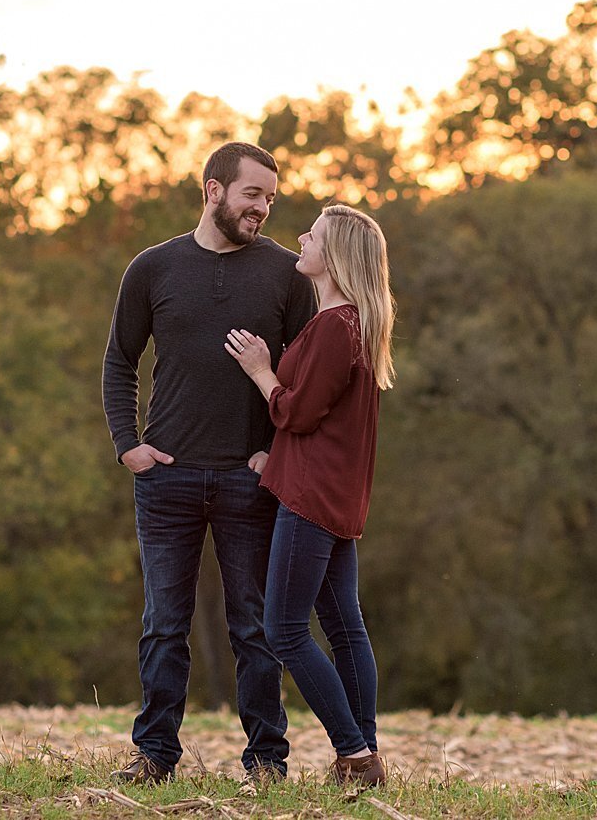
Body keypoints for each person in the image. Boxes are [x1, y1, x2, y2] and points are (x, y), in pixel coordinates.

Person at [103, 141, 317, 784]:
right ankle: (155, 756)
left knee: (254, 627)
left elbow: (306, 377)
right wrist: (127, 443)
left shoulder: (286, 274)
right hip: (165, 475)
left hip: (249, 480)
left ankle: (266, 761)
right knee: (163, 625)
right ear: (213, 190)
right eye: (253, 195)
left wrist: (274, 453)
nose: (263, 209)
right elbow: (120, 359)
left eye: (271, 199)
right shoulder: (152, 267)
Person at [223, 204, 395, 787]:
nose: (301, 237)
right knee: (345, 624)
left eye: (313, 236)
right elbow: (328, 423)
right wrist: (276, 458)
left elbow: (297, 410)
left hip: (312, 498)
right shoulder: (358, 326)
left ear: (336, 256)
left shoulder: (333, 326)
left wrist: (260, 370)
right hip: (332, 488)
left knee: (285, 630)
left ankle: (352, 751)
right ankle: (364, 755)